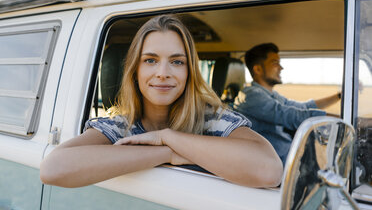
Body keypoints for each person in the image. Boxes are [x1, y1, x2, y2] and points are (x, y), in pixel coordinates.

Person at [40, 15, 283, 188]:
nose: (163, 73)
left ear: (189, 72)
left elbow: (268, 170)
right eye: (150, 60)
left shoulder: (212, 119)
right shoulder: (120, 126)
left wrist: (168, 136)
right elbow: (53, 169)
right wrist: (168, 153)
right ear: (135, 70)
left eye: (177, 62)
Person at [233, 43, 341, 165]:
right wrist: (340, 120)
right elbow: (291, 115)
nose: (281, 67)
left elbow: (303, 107)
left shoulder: (271, 95)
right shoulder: (251, 96)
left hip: (289, 159)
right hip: (276, 167)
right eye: (275, 62)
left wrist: (338, 96)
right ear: (257, 69)